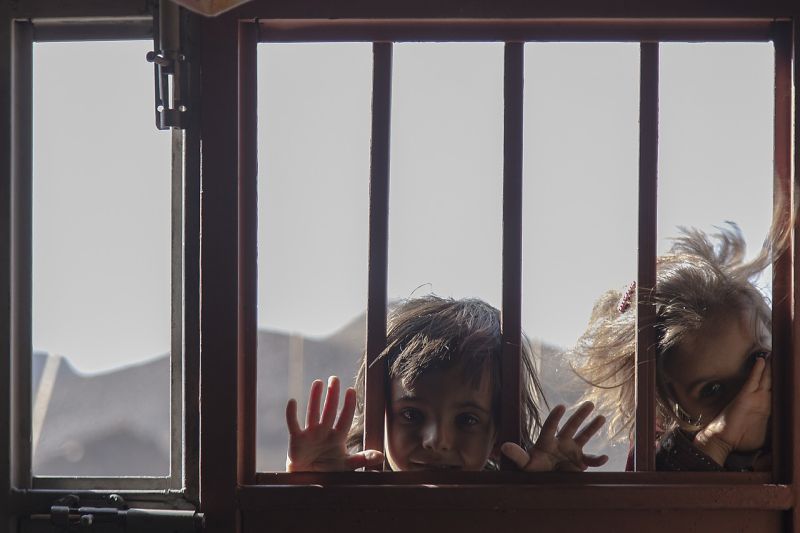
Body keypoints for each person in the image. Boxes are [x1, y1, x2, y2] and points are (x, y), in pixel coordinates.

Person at [285, 295, 608, 472]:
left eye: (468, 420)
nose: (436, 441)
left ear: (498, 433)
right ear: (378, 416)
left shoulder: (506, 507)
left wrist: (549, 501)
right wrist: (311, 490)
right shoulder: (358, 498)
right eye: (411, 414)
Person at [572, 222, 783, 471]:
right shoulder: (659, 462)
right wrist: (716, 443)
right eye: (713, 389)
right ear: (667, 413)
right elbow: (659, 509)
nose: (746, 397)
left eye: (757, 360)